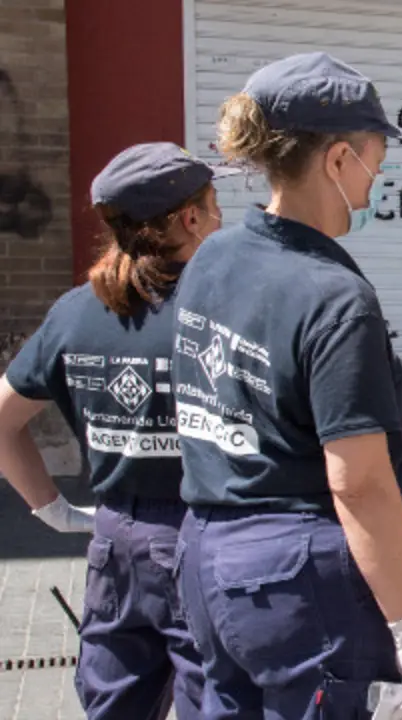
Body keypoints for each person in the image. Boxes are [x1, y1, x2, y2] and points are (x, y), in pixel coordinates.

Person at [168, 52, 402, 718]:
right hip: (298, 586)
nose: (379, 173)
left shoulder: (214, 255)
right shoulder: (336, 298)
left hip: (206, 560)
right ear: (339, 158)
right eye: (377, 152)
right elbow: (359, 483)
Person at [0, 142, 230, 719]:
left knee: (115, 705)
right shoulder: (223, 311)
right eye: (215, 203)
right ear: (191, 218)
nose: (223, 217)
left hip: (116, 544)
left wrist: (52, 509)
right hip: (205, 535)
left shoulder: (76, 311)